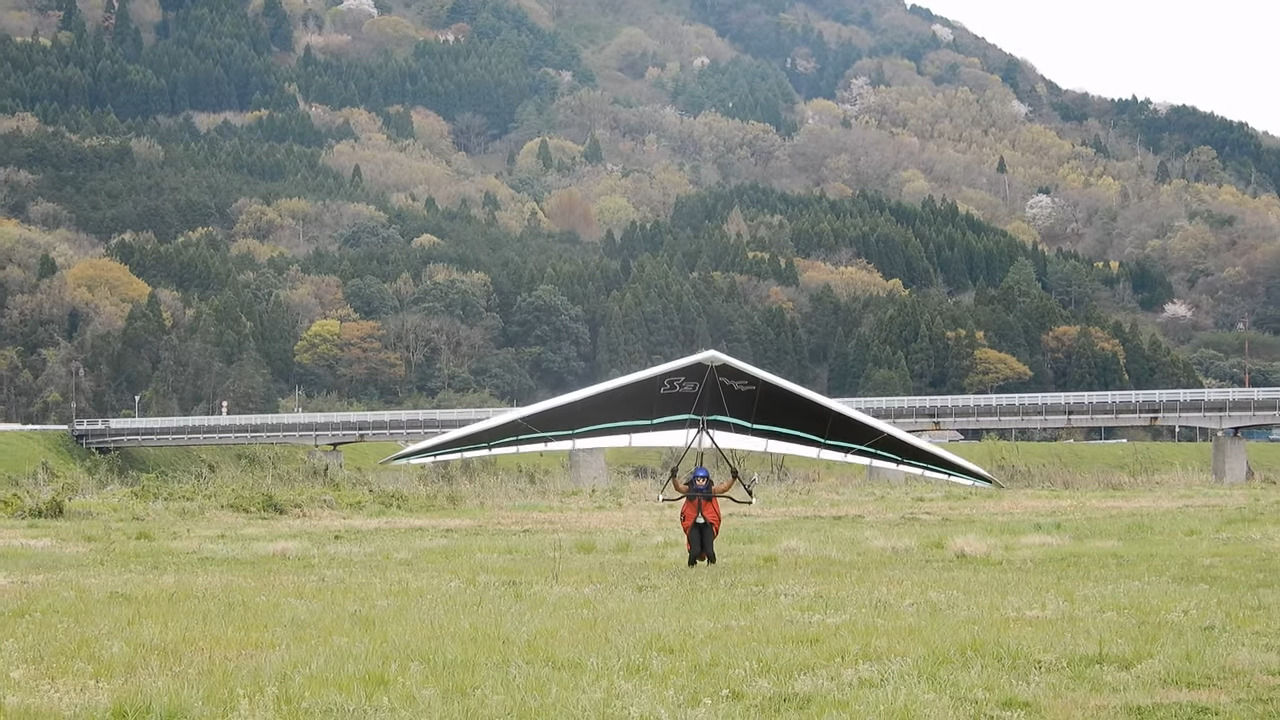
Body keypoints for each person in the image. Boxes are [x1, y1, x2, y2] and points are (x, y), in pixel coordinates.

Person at [670, 465, 737, 567]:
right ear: (694, 480)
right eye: (698, 480)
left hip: (707, 524)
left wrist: (733, 478)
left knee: (709, 551)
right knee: (694, 551)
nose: (700, 482)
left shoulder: (711, 490)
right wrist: (674, 477)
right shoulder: (689, 490)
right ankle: (691, 567)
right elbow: (678, 487)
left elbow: (724, 488)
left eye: (703, 480)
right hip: (694, 525)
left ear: (707, 480)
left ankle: (712, 567)